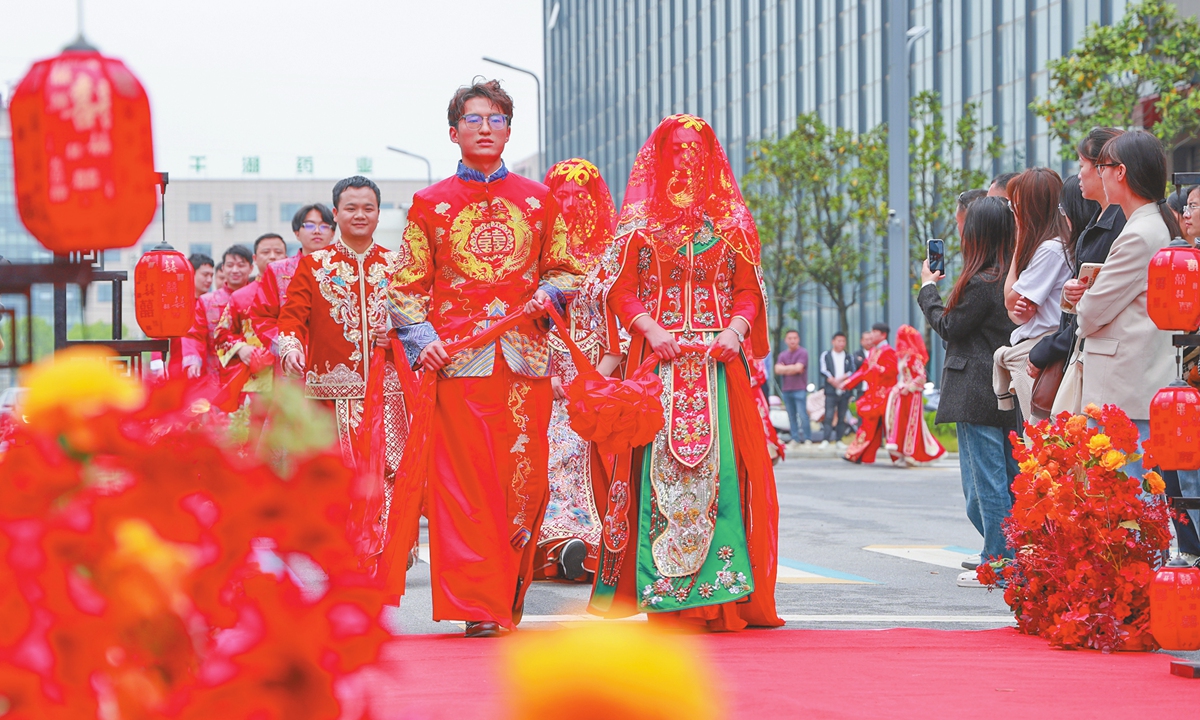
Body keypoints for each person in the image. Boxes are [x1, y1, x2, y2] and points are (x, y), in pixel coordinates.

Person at [387, 81, 583, 638]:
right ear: (454, 132)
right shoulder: (431, 203)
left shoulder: (538, 199)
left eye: (496, 119)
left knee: (523, 483)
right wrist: (426, 342)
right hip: (460, 363)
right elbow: (404, 288)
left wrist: (553, 294)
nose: (485, 128)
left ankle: (507, 595)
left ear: (509, 130)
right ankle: (477, 604)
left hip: (524, 358)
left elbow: (566, 269)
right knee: (465, 488)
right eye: (473, 119)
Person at [586, 113, 782, 632]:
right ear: (661, 155)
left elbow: (747, 291)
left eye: (698, 150)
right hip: (657, 364)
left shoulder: (733, 224)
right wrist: (650, 329)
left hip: (718, 366)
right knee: (655, 474)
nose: (688, 159)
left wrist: (734, 332)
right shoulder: (639, 227)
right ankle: (662, 592)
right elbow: (620, 290)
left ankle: (719, 597)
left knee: (723, 472)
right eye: (678, 149)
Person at [276, 176, 409, 568]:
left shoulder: (397, 264)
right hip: (332, 393)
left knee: (389, 467)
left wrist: (399, 333)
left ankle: (386, 544)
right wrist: (291, 348)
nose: (360, 214)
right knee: (344, 473)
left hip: (389, 387)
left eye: (368, 207)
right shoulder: (313, 266)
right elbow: (291, 319)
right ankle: (351, 546)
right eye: (350, 208)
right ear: (336, 214)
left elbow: (419, 317)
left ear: (378, 213)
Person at [918, 197, 1020, 587]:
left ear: (978, 233)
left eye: (966, 227)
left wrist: (928, 289)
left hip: (976, 390)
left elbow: (949, 327)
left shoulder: (983, 280)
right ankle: (1008, 553)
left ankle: (998, 562)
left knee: (986, 484)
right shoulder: (1010, 274)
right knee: (1005, 478)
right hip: (1002, 387)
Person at [1067, 130, 1177, 483]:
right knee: (1132, 501)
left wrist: (1084, 301)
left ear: (1121, 172)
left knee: (1128, 501)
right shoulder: (1148, 226)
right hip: (1131, 386)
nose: (1098, 173)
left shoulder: (1138, 234)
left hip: (1124, 390)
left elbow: (1089, 314)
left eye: (1102, 166)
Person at [535, 157, 621, 583]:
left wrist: (592, 381)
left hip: (596, 376)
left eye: (579, 194)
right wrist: (547, 374)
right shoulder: (537, 253)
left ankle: (586, 543)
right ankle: (554, 545)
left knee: (584, 456)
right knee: (545, 459)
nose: (570, 203)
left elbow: (620, 325)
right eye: (561, 195)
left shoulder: (614, 255)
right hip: (541, 376)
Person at [1027, 128, 1125, 387]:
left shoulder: (1121, 224)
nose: (1079, 173)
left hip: (1098, 355)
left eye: (1083, 164)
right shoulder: (1099, 219)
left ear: (1104, 168)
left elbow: (1103, 303)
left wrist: (1049, 347)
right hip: (1080, 346)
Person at [995, 168, 1072, 426]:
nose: (1013, 212)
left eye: (1016, 205)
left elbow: (1011, 301)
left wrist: (1018, 241)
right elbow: (1014, 309)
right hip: (1039, 351)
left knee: (1037, 443)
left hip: (1038, 354)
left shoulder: (1050, 249)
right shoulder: (1056, 244)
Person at [250, 204, 337, 365]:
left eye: (324, 226)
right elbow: (262, 316)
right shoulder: (277, 270)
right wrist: (287, 346)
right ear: (297, 232)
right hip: (292, 363)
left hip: (335, 360)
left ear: (332, 233)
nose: (317, 230)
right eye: (309, 225)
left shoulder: (344, 271)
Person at [213, 233, 288, 401]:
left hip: (292, 378)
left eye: (278, 252)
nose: (272, 256)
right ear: (255, 258)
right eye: (266, 252)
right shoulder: (240, 296)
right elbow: (220, 334)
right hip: (255, 378)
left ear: (286, 257)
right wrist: (241, 348)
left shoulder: (297, 290)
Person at [183, 245, 253, 381]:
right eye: (230, 265)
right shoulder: (206, 301)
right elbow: (194, 336)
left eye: (241, 265)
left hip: (253, 374)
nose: (235, 270)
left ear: (251, 268)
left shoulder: (260, 297)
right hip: (216, 374)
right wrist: (193, 361)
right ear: (223, 269)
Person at [884, 325, 944, 466]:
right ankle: (903, 453)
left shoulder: (914, 357)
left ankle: (912, 453)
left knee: (912, 423)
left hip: (912, 395)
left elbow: (921, 377)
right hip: (903, 394)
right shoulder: (904, 356)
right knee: (901, 423)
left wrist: (909, 387)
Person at [840, 323, 898, 464]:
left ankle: (899, 456)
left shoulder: (888, 351)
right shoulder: (873, 351)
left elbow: (892, 371)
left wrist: (878, 369)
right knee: (870, 426)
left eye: (874, 332)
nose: (871, 335)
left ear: (883, 335)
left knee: (889, 428)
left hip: (885, 396)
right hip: (873, 396)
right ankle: (861, 455)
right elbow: (863, 370)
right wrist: (849, 383)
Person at [774, 329, 810, 448]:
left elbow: (799, 368)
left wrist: (786, 368)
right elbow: (777, 370)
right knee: (791, 416)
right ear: (786, 340)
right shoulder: (782, 355)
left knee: (802, 415)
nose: (792, 340)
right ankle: (795, 438)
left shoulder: (803, 352)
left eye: (795, 338)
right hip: (787, 389)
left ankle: (807, 439)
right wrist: (792, 368)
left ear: (798, 339)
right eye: (790, 338)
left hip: (800, 388)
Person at [818, 331, 855, 445]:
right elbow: (824, 371)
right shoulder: (826, 355)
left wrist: (841, 381)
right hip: (830, 390)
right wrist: (835, 382)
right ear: (833, 342)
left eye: (843, 341)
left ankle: (839, 439)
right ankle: (826, 439)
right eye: (839, 341)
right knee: (828, 415)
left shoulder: (848, 356)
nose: (841, 343)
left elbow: (852, 371)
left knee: (842, 415)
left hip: (844, 390)